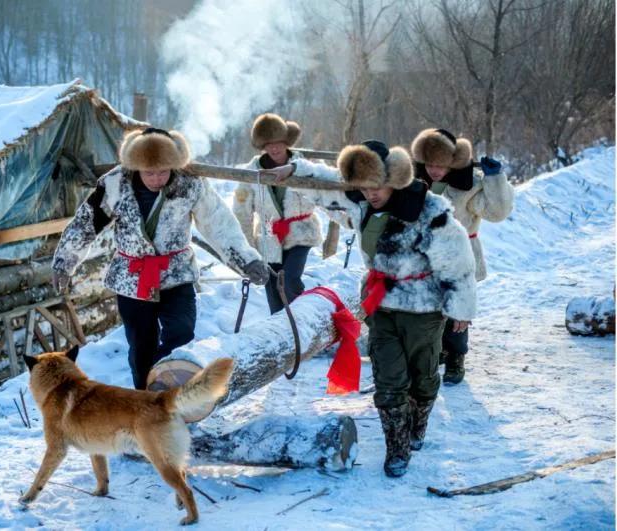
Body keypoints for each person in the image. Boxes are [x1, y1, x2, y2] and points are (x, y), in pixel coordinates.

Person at [269, 140, 477, 477]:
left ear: (393, 177)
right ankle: (397, 448)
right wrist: (293, 170)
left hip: (424, 307)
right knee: (389, 377)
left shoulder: (429, 211)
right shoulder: (360, 204)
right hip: (381, 304)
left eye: (375, 186)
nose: (370, 194)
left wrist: (461, 309)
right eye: (363, 187)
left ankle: (417, 424)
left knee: (422, 376)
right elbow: (323, 187)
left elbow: (458, 261)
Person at [52, 127, 268, 389]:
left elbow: (218, 224)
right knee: (141, 345)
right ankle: (145, 399)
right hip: (133, 278)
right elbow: (86, 224)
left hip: (175, 274)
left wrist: (246, 260)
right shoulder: (114, 184)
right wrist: (64, 262)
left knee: (182, 333)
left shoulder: (189, 184)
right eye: (150, 173)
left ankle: (172, 394)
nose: (157, 179)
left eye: (163, 171)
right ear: (136, 167)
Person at [411, 128, 514, 384]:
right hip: (425, 255)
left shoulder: (469, 186)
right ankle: (436, 352)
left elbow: (496, 212)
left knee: (457, 308)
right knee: (432, 309)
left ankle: (457, 355)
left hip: (460, 254)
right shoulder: (414, 182)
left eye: (441, 165)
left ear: (453, 163)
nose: (435, 170)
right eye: (431, 164)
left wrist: (495, 180)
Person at [232, 113, 321, 314]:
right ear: (262, 146)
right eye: (268, 144)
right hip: (269, 235)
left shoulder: (302, 166)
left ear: (286, 141)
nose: (274, 148)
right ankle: (281, 329)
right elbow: (241, 210)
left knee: (289, 280)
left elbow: (324, 194)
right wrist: (247, 248)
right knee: (272, 286)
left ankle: (302, 320)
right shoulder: (252, 170)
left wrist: (347, 216)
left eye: (279, 142)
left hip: (301, 231)